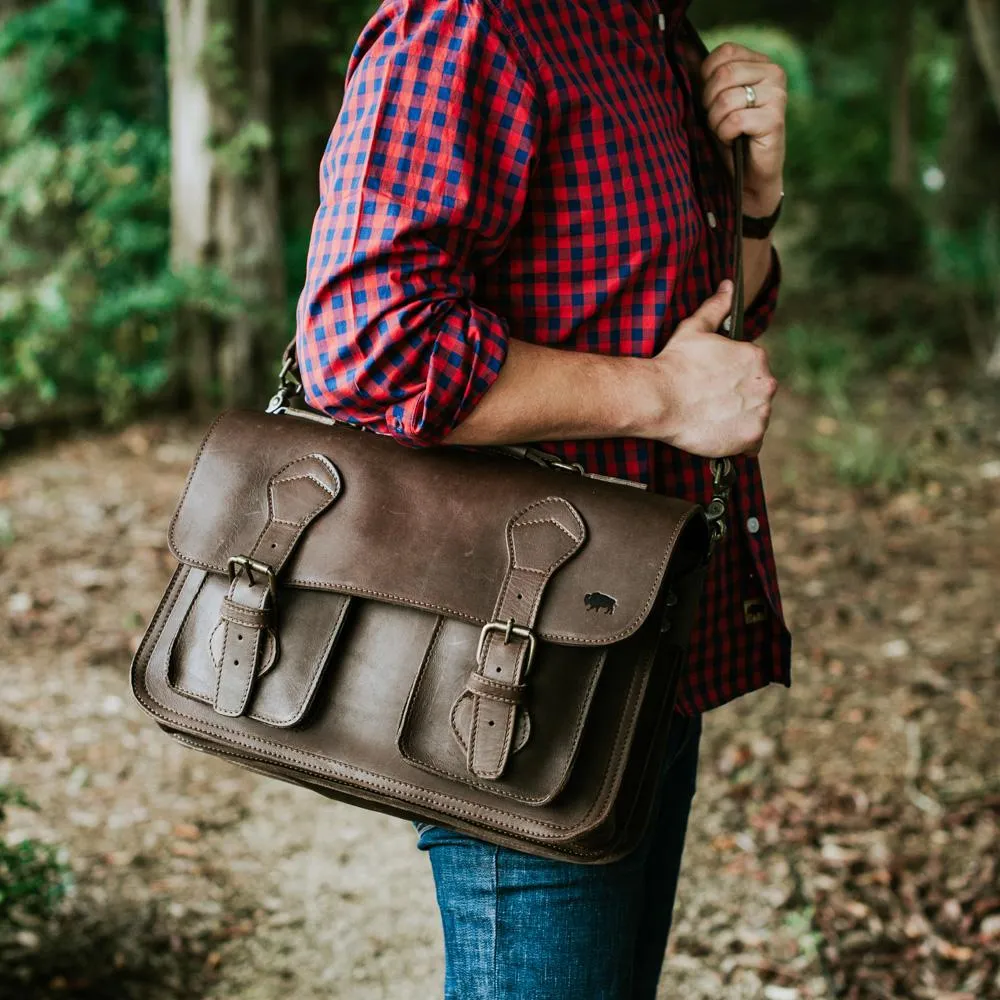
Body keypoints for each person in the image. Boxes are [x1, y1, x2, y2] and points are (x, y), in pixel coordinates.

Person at [295, 0, 792, 996]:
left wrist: (757, 199)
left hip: (647, 636)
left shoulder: (652, 31)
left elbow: (704, 318)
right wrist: (657, 396)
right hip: (517, 673)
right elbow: (364, 347)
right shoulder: (470, 24)